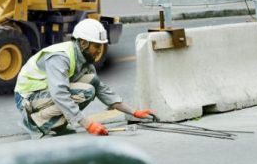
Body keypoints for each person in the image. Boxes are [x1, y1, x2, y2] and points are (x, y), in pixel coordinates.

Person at [14, 19, 155, 137]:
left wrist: (134, 112)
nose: (99, 50)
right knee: (85, 91)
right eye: (96, 46)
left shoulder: (84, 59)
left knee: (92, 82)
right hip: (28, 98)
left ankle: (56, 125)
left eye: (102, 46)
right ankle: (36, 122)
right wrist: (88, 125)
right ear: (83, 43)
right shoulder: (60, 57)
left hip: (44, 94)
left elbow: (102, 90)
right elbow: (59, 94)